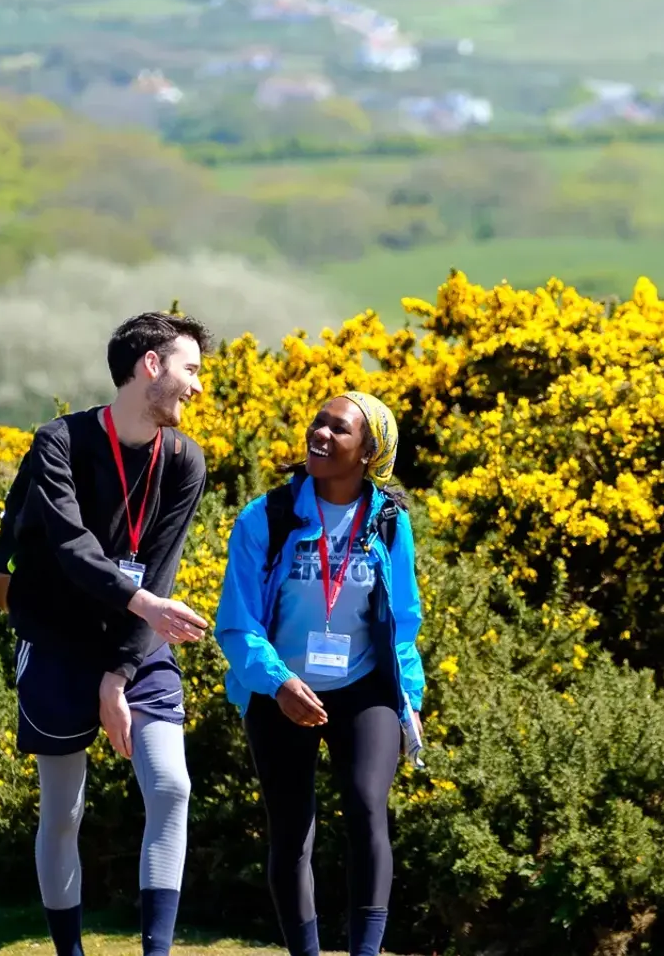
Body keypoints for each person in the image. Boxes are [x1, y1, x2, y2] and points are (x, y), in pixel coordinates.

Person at [0, 311, 214, 956]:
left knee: (171, 785)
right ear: (151, 365)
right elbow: (68, 545)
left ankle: (156, 952)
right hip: (56, 639)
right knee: (64, 809)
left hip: (138, 640)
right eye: (190, 369)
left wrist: (119, 671)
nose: (198, 387)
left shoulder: (185, 460)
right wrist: (142, 600)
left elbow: (162, 566)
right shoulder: (58, 441)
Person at [215, 392, 427, 956]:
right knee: (291, 831)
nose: (322, 435)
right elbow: (236, 624)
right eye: (318, 423)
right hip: (278, 689)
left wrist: (411, 696)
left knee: (365, 804)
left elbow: (403, 619)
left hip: (363, 689)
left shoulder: (388, 521)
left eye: (339, 430)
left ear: (368, 453)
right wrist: (278, 683)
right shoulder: (265, 516)